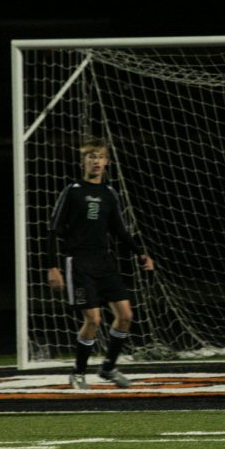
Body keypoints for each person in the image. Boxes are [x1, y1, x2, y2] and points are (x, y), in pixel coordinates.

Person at [47, 137, 154, 389]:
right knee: (93, 320)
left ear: (107, 162)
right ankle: (79, 373)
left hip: (104, 261)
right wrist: (53, 267)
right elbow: (53, 230)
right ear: (84, 161)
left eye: (100, 157)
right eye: (91, 156)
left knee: (126, 315)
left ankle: (107, 367)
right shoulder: (72, 191)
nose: (95, 161)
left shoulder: (108, 193)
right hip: (79, 262)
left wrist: (140, 253)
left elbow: (119, 229)